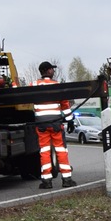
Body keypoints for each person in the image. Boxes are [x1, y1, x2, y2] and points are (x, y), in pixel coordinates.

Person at [32, 61, 76, 189]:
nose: (54, 71)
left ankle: (46, 181)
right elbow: (65, 105)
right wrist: (70, 120)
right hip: (56, 124)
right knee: (61, 150)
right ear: (47, 70)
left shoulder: (34, 85)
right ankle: (67, 179)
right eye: (52, 69)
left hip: (41, 124)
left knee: (45, 151)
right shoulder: (57, 86)